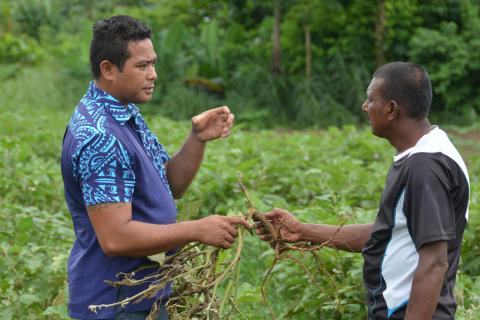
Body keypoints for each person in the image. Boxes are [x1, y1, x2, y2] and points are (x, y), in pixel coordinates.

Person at [61, 15, 249, 320]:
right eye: (142, 66)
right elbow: (115, 238)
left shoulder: (124, 112)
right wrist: (197, 229)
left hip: (142, 295)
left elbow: (171, 184)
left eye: (153, 63)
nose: (153, 75)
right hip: (114, 303)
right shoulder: (100, 136)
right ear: (108, 69)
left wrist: (197, 138)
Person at [255, 62, 469, 319]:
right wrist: (300, 230)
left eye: (370, 99)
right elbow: (386, 234)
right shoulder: (419, 155)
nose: (364, 106)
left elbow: (435, 263)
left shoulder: (425, 165)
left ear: (391, 109)